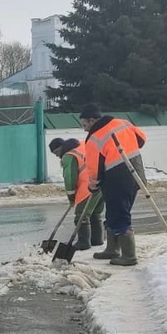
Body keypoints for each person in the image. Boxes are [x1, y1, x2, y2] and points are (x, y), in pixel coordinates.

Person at [79, 103, 147, 266]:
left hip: (117, 178)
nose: (84, 129)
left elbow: (94, 169)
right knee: (115, 213)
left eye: (85, 124)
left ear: (92, 120)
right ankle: (112, 249)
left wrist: (92, 186)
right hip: (136, 171)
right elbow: (142, 139)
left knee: (120, 215)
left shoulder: (94, 138)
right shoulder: (123, 122)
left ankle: (129, 256)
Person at [49, 137, 104, 250]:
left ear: (61, 147)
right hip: (101, 183)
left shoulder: (68, 156)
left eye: (56, 152)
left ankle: (83, 243)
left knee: (81, 215)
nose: (57, 155)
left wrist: (71, 197)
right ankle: (97, 240)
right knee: (94, 212)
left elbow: (69, 179)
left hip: (88, 187)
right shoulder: (82, 145)